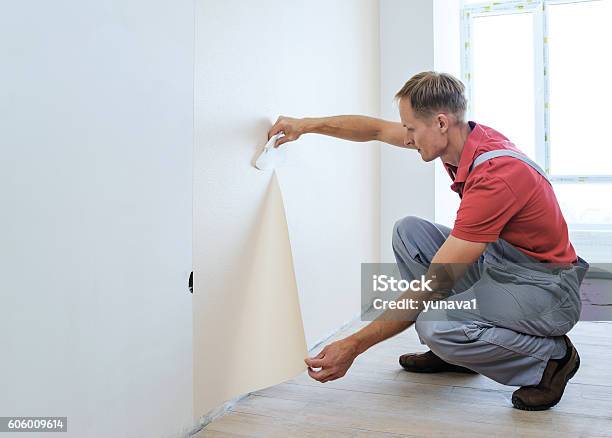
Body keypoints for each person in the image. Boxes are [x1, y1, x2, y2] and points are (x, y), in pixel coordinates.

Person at [267, 71, 589, 411]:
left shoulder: (496, 177)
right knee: (409, 232)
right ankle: (457, 356)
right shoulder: (462, 139)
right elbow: (375, 129)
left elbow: (435, 282)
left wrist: (353, 345)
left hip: (547, 290)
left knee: (435, 323)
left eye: (410, 128)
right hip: (505, 265)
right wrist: (304, 124)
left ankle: (551, 360)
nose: (406, 137)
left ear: (439, 122)